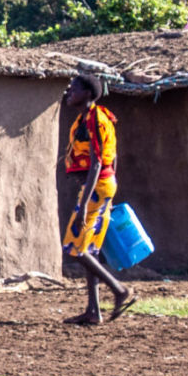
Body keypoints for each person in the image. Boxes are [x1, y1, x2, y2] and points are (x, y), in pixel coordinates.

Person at [61, 74, 133, 325]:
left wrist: (87, 202)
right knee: (90, 249)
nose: (69, 90)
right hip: (101, 187)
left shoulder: (96, 119)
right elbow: (113, 158)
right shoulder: (88, 118)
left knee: (74, 248)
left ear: (88, 94)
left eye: (75, 88)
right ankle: (94, 311)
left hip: (97, 187)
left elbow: (98, 162)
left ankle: (118, 289)